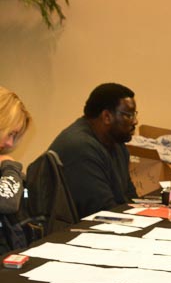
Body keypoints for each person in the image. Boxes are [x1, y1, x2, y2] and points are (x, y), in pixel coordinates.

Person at [49, 83, 138, 218]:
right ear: (107, 116)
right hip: (83, 227)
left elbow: (130, 198)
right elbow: (102, 212)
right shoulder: (80, 147)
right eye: (128, 115)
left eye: (134, 114)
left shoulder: (117, 144)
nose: (135, 121)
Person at [0, 86, 32, 254]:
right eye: (10, 133)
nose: (10, 144)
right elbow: (7, 202)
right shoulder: (7, 166)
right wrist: (10, 166)